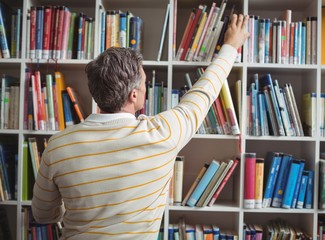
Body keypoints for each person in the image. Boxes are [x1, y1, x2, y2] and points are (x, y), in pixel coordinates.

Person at [32, 13, 249, 239]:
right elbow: (205, 92)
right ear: (134, 95)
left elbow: (43, 214)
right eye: (145, 84)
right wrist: (231, 45)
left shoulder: (58, 146)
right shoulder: (163, 134)